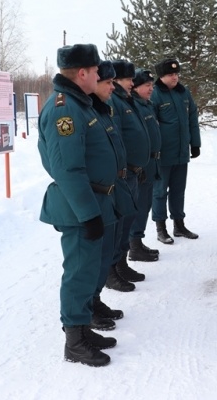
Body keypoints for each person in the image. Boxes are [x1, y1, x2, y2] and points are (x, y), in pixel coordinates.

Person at [37, 43, 118, 367]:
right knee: (79, 273)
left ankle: (83, 329)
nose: (100, 75)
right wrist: (88, 213)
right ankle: (74, 342)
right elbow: (68, 169)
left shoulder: (79, 104)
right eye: (96, 70)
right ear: (82, 73)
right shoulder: (65, 108)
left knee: (89, 272)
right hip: (79, 206)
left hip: (93, 201)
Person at [89, 60, 131, 327]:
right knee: (87, 263)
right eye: (107, 82)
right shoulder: (75, 111)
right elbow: (66, 166)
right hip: (94, 195)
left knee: (104, 252)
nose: (113, 87)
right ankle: (79, 326)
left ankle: (94, 301)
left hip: (111, 189)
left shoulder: (100, 108)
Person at [106, 59, 150, 293]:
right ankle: (112, 270)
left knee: (128, 220)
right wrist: (124, 169)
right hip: (123, 175)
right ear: (115, 80)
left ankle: (121, 264)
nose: (133, 83)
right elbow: (116, 140)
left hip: (133, 172)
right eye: (129, 80)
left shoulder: (127, 100)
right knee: (119, 224)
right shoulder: (114, 102)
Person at [151, 57, 201, 243]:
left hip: (181, 152)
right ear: (161, 77)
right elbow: (151, 127)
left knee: (179, 190)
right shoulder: (155, 94)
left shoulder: (184, 93)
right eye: (170, 74)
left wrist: (195, 143)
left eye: (176, 74)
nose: (175, 77)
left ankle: (179, 225)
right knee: (159, 192)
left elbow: (192, 119)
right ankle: (161, 228)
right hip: (163, 154)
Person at [129, 68, 162, 261]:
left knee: (146, 204)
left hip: (151, 163)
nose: (151, 89)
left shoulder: (146, 105)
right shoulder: (134, 106)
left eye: (152, 85)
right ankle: (133, 246)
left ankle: (137, 242)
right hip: (141, 165)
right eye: (147, 86)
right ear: (136, 87)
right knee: (139, 205)